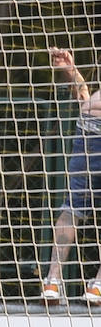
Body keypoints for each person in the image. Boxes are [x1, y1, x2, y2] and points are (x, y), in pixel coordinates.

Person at [41, 46, 101, 304]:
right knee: (73, 206)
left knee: (73, 206)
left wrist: (73, 73)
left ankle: (53, 281)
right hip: (91, 122)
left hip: (90, 120)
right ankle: (96, 286)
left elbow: (87, 101)